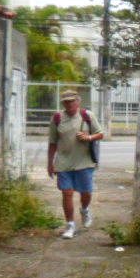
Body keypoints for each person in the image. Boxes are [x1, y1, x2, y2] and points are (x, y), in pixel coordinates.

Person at [47, 90, 103, 239]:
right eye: (66, 102)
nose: (69, 104)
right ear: (63, 104)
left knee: (86, 192)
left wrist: (88, 137)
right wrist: (50, 163)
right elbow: (52, 143)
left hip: (84, 162)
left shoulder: (87, 116)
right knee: (67, 193)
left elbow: (100, 133)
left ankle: (84, 209)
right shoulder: (57, 118)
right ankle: (70, 225)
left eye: (72, 101)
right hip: (63, 163)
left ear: (78, 101)